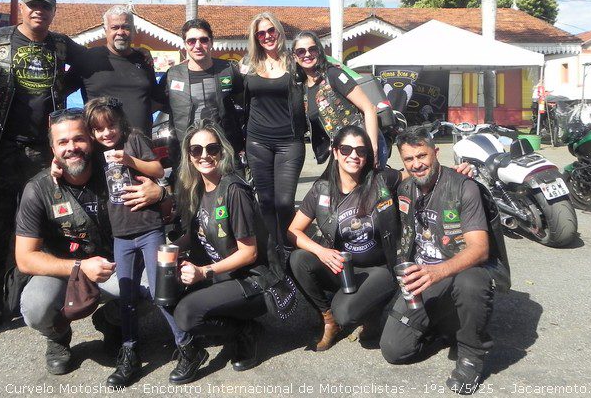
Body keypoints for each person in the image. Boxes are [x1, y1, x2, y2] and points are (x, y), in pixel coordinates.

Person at [0, 0, 86, 326]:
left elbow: (92, 62)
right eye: (32, 5)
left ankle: (31, 290)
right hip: (3, 147)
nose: (38, 11)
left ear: (53, 11)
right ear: (23, 9)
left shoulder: (61, 44)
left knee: (44, 222)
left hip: (44, 150)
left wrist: (67, 85)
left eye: (45, 6)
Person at [15, 108, 167, 375]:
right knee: (36, 306)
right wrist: (79, 267)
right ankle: (58, 336)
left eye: (79, 139)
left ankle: (112, 320)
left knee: (160, 284)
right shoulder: (38, 189)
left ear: (92, 141)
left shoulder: (116, 169)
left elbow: (165, 209)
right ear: (53, 149)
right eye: (63, 142)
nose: (71, 148)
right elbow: (25, 258)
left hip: (115, 265)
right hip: (63, 272)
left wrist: (161, 194)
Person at [380, 127, 510, 395]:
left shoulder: (464, 187)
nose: (417, 164)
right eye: (409, 159)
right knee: (394, 349)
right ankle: (446, 329)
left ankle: (471, 354)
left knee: (472, 282)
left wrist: (437, 272)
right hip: (422, 277)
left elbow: (479, 250)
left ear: (435, 152)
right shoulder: (405, 188)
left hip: (456, 271)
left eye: (422, 156)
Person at [166, 120, 291, 385]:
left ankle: (245, 331)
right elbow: (198, 234)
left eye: (211, 148)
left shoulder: (234, 190)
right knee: (166, 290)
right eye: (196, 150)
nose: (204, 155)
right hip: (225, 276)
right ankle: (219, 327)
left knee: (187, 313)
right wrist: (169, 250)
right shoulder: (198, 189)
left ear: (222, 151)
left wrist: (203, 272)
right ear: (188, 156)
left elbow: (249, 253)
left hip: (253, 280)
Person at [75, 97, 188, 389]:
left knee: (162, 290)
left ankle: (186, 344)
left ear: (120, 123)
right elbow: (72, 166)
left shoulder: (133, 140)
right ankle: (129, 350)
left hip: (149, 228)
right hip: (121, 235)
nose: (106, 133)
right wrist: (54, 166)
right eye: (98, 129)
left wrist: (129, 160)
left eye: (110, 126)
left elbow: (158, 171)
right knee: (126, 296)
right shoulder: (94, 153)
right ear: (91, 132)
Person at [287, 125, 400, 352]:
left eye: (361, 151)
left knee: (346, 314)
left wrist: (457, 172)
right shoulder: (321, 190)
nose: (354, 156)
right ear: (336, 152)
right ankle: (329, 319)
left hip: (378, 270)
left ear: (367, 156)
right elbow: (293, 231)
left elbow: (418, 172)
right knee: (298, 260)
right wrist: (321, 251)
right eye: (346, 149)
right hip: (343, 268)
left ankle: (371, 309)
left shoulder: (382, 180)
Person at [242, 12, 306, 255]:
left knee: (284, 202)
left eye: (271, 31)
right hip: (257, 141)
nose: (267, 36)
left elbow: (321, 75)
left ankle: (288, 249)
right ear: (255, 38)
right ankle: (274, 252)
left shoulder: (295, 62)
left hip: (289, 142)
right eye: (261, 33)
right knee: (266, 201)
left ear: (279, 32)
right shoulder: (247, 65)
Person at [157, 18, 244, 168]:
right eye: (191, 41)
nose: (197, 45)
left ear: (211, 42)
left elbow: (246, 103)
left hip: (225, 154)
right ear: (185, 44)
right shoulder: (172, 75)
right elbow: (153, 104)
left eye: (203, 40)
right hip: (187, 156)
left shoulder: (228, 70)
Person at [68, 6, 159, 137]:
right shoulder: (87, 59)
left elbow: (154, 99)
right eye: (115, 27)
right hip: (102, 145)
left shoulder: (144, 60)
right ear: (105, 30)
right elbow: (59, 93)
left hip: (140, 145)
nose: (120, 32)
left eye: (126, 27)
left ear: (133, 30)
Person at [292, 31, 380, 165]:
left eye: (312, 49)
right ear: (295, 57)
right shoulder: (303, 88)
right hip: (340, 153)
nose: (307, 54)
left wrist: (372, 149)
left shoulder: (333, 74)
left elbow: (369, 108)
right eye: (301, 51)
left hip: (360, 150)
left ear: (319, 51)